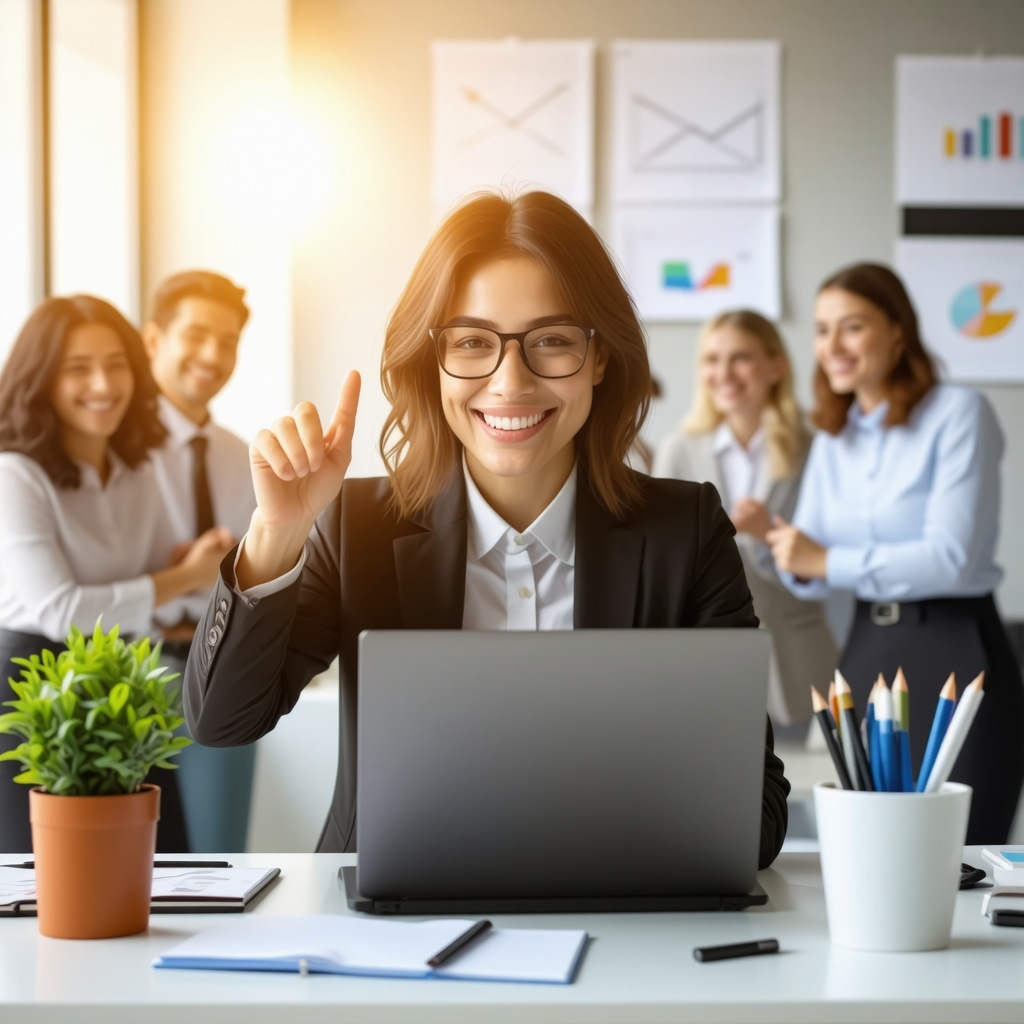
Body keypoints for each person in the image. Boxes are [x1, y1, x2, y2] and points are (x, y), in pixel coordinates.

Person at [183, 190, 790, 868]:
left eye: (552, 342)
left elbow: (756, 819)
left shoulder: (687, 532)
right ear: (431, 363)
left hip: (616, 923)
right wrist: (277, 533)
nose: (510, 382)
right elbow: (222, 723)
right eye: (472, 343)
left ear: (598, 359)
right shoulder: (358, 528)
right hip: (396, 936)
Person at [767, 262, 1024, 843]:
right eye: (822, 329)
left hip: (956, 647)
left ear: (898, 331)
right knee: (871, 847)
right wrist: (788, 552)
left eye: (852, 326)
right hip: (865, 651)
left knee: (965, 853)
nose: (832, 346)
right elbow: (806, 562)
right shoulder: (836, 435)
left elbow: (951, 558)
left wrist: (823, 560)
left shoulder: (959, 414)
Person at [0, 295, 234, 853]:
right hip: (32, 693)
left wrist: (189, 564)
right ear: (41, 379)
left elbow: (154, 578)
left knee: (159, 865)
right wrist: (186, 576)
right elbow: (61, 611)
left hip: (125, 685)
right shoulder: (16, 475)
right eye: (77, 369)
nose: (103, 385)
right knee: (43, 883)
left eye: (116, 364)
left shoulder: (136, 468)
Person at [653, 311, 837, 728]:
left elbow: (830, 558)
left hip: (801, 652)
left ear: (776, 366)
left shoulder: (816, 448)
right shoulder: (679, 450)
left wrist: (768, 534)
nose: (723, 373)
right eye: (712, 359)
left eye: (740, 358)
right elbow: (663, 561)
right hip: (708, 657)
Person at [142, 271, 258, 852]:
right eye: (197, 334)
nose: (213, 355)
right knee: (138, 863)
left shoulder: (243, 459)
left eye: (229, 341)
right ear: (154, 340)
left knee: (219, 859)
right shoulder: (114, 447)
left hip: (218, 672)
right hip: (138, 666)